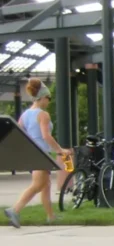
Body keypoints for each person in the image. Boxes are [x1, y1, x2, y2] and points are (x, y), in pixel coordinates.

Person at [4, 79, 72, 227]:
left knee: (45, 185)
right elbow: (46, 136)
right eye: (48, 98)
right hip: (42, 154)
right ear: (42, 97)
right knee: (38, 185)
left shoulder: (26, 114)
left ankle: (51, 216)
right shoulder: (43, 115)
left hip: (33, 153)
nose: (49, 101)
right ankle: (15, 210)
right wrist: (60, 150)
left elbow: (20, 133)